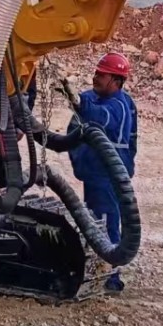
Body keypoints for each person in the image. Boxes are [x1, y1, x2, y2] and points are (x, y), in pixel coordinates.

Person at [45, 51, 138, 291]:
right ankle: (102, 269)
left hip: (107, 176)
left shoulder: (117, 106)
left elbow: (100, 116)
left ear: (116, 81)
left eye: (101, 75)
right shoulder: (102, 98)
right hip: (97, 173)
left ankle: (110, 276)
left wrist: (79, 102)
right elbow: (86, 105)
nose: (95, 77)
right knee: (96, 219)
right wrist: (74, 97)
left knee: (105, 222)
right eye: (96, 72)